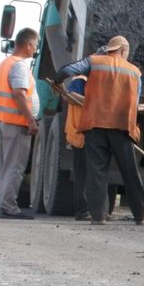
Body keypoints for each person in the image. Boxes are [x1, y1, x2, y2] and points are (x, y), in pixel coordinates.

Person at [53, 35, 144, 225]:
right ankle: (141, 214)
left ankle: (98, 216)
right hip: (122, 127)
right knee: (129, 171)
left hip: (95, 125)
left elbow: (68, 70)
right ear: (123, 51)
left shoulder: (94, 62)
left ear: (109, 50)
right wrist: (140, 108)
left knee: (97, 171)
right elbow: (134, 102)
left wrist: (57, 81)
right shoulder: (134, 72)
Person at [0, 28, 40, 220]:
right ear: (27, 44)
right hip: (17, 123)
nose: (35, 49)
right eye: (35, 45)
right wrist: (30, 120)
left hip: (6, 122)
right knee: (15, 166)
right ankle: (9, 207)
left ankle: (3, 204)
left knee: (6, 166)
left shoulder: (5, 63)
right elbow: (19, 94)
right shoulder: (19, 66)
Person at [62, 75, 90, 220]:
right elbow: (70, 96)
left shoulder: (100, 79)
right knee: (83, 172)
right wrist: (95, 102)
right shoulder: (81, 80)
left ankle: (96, 209)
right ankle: (82, 211)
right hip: (81, 132)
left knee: (96, 173)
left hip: (94, 132)